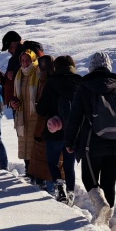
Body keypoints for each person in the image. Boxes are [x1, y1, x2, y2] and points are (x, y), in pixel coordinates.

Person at [65, 51, 116, 225]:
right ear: (108, 66)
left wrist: (69, 141)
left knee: (89, 179)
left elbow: (74, 117)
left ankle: (100, 204)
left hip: (92, 144)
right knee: (109, 182)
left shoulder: (84, 86)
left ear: (91, 68)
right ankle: (106, 220)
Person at [38, 55, 80, 202]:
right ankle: (70, 193)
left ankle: (59, 185)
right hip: (73, 131)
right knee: (69, 166)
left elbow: (41, 110)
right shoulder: (79, 82)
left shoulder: (51, 83)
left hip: (53, 130)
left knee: (53, 162)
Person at [0, 30, 23, 111]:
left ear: (16, 43)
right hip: (14, 103)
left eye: (10, 47)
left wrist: (15, 74)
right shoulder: (12, 60)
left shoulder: (26, 56)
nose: (9, 51)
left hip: (23, 103)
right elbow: (9, 80)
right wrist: (1, 79)